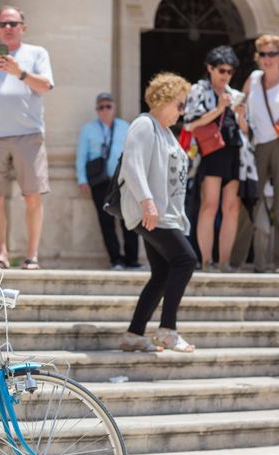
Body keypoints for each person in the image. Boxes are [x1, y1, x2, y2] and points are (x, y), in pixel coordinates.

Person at [0, 5, 54, 270]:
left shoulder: (37, 53)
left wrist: (19, 71)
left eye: (13, 24)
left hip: (29, 135)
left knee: (33, 197)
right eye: (3, 24)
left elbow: (46, 85)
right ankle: (1, 254)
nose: (8, 28)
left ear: (23, 27)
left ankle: (31, 256)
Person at [119, 72, 196, 353]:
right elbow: (133, 164)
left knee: (163, 273)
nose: (182, 110)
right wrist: (147, 201)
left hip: (165, 214)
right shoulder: (144, 124)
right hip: (151, 213)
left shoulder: (166, 133)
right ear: (164, 100)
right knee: (186, 260)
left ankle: (134, 334)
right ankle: (168, 330)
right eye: (179, 104)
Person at [184, 46, 247, 272]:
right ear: (210, 68)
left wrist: (240, 115)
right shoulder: (198, 90)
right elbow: (190, 123)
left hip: (234, 150)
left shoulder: (235, 93)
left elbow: (246, 131)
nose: (226, 76)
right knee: (209, 206)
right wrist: (219, 109)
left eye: (230, 71)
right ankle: (207, 261)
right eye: (222, 70)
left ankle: (224, 262)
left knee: (232, 208)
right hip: (211, 152)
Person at [76, 92, 140, 270]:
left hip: (122, 180)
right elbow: (81, 156)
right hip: (100, 182)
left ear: (114, 108)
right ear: (97, 110)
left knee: (129, 219)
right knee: (106, 221)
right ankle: (116, 260)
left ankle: (132, 259)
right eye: (101, 107)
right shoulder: (88, 129)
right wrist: (82, 179)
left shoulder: (124, 127)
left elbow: (133, 152)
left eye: (108, 106)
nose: (105, 110)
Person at [244, 34, 279, 272]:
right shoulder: (254, 79)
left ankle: (275, 261)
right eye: (262, 54)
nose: (266, 59)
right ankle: (247, 260)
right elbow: (242, 107)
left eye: (272, 54)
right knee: (251, 200)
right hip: (258, 146)